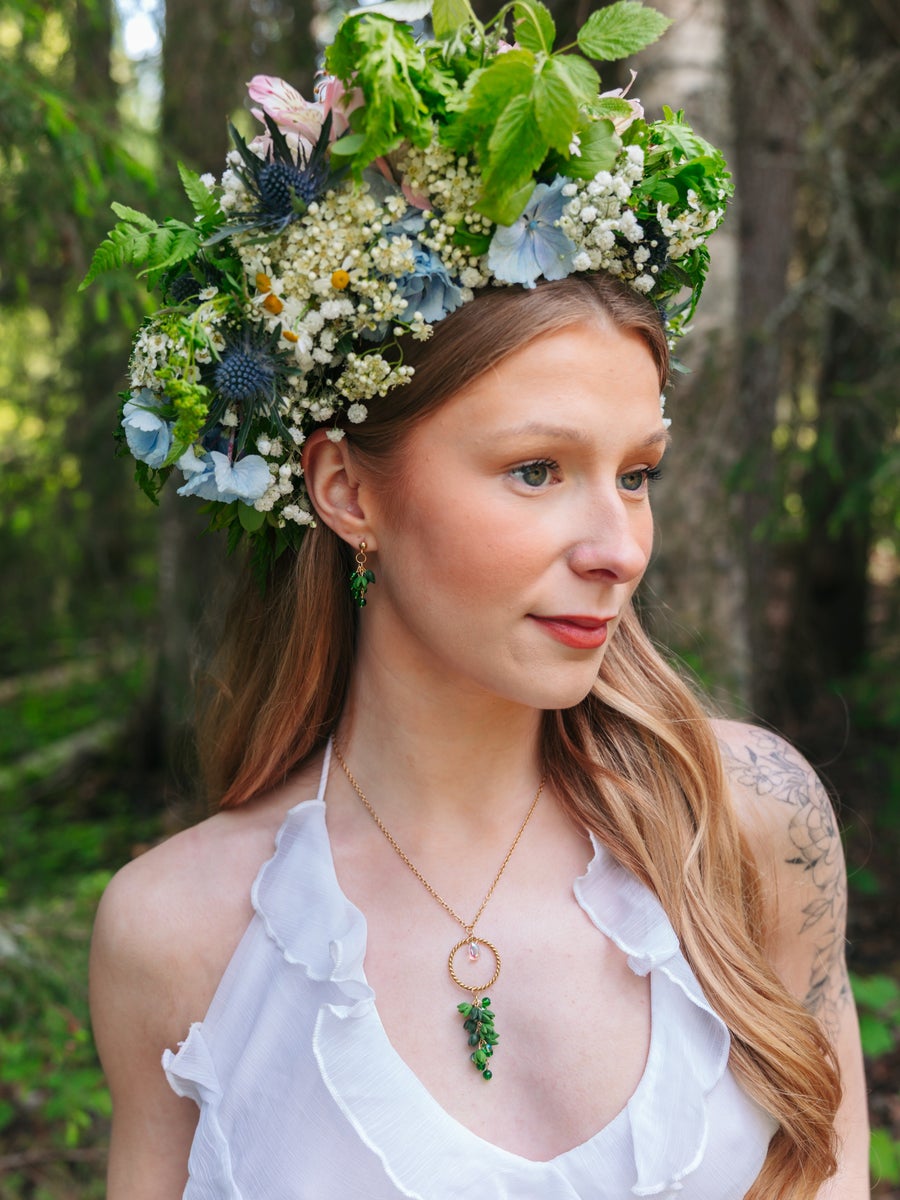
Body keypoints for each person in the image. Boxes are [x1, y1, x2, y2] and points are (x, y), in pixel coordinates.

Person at [87, 2, 870, 1196]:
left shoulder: (750, 825)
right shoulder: (179, 934)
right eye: (536, 471)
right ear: (348, 490)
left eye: (637, 475)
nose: (619, 549)